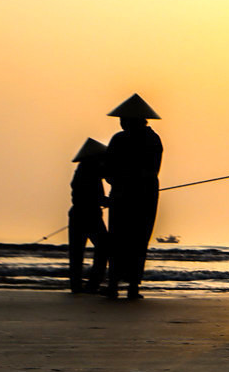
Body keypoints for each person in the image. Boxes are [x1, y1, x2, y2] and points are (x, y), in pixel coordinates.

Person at [102, 94, 164, 301]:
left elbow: (108, 171)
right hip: (142, 195)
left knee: (121, 239)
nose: (121, 122)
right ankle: (130, 286)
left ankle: (118, 285)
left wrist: (122, 180)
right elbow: (152, 170)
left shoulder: (121, 140)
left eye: (123, 119)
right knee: (136, 240)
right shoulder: (152, 139)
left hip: (129, 196)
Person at [66, 138, 109, 294]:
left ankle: (76, 285)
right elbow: (94, 197)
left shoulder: (83, 170)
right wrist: (108, 201)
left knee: (77, 252)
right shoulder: (90, 172)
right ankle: (93, 284)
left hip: (78, 214)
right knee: (104, 247)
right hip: (90, 215)